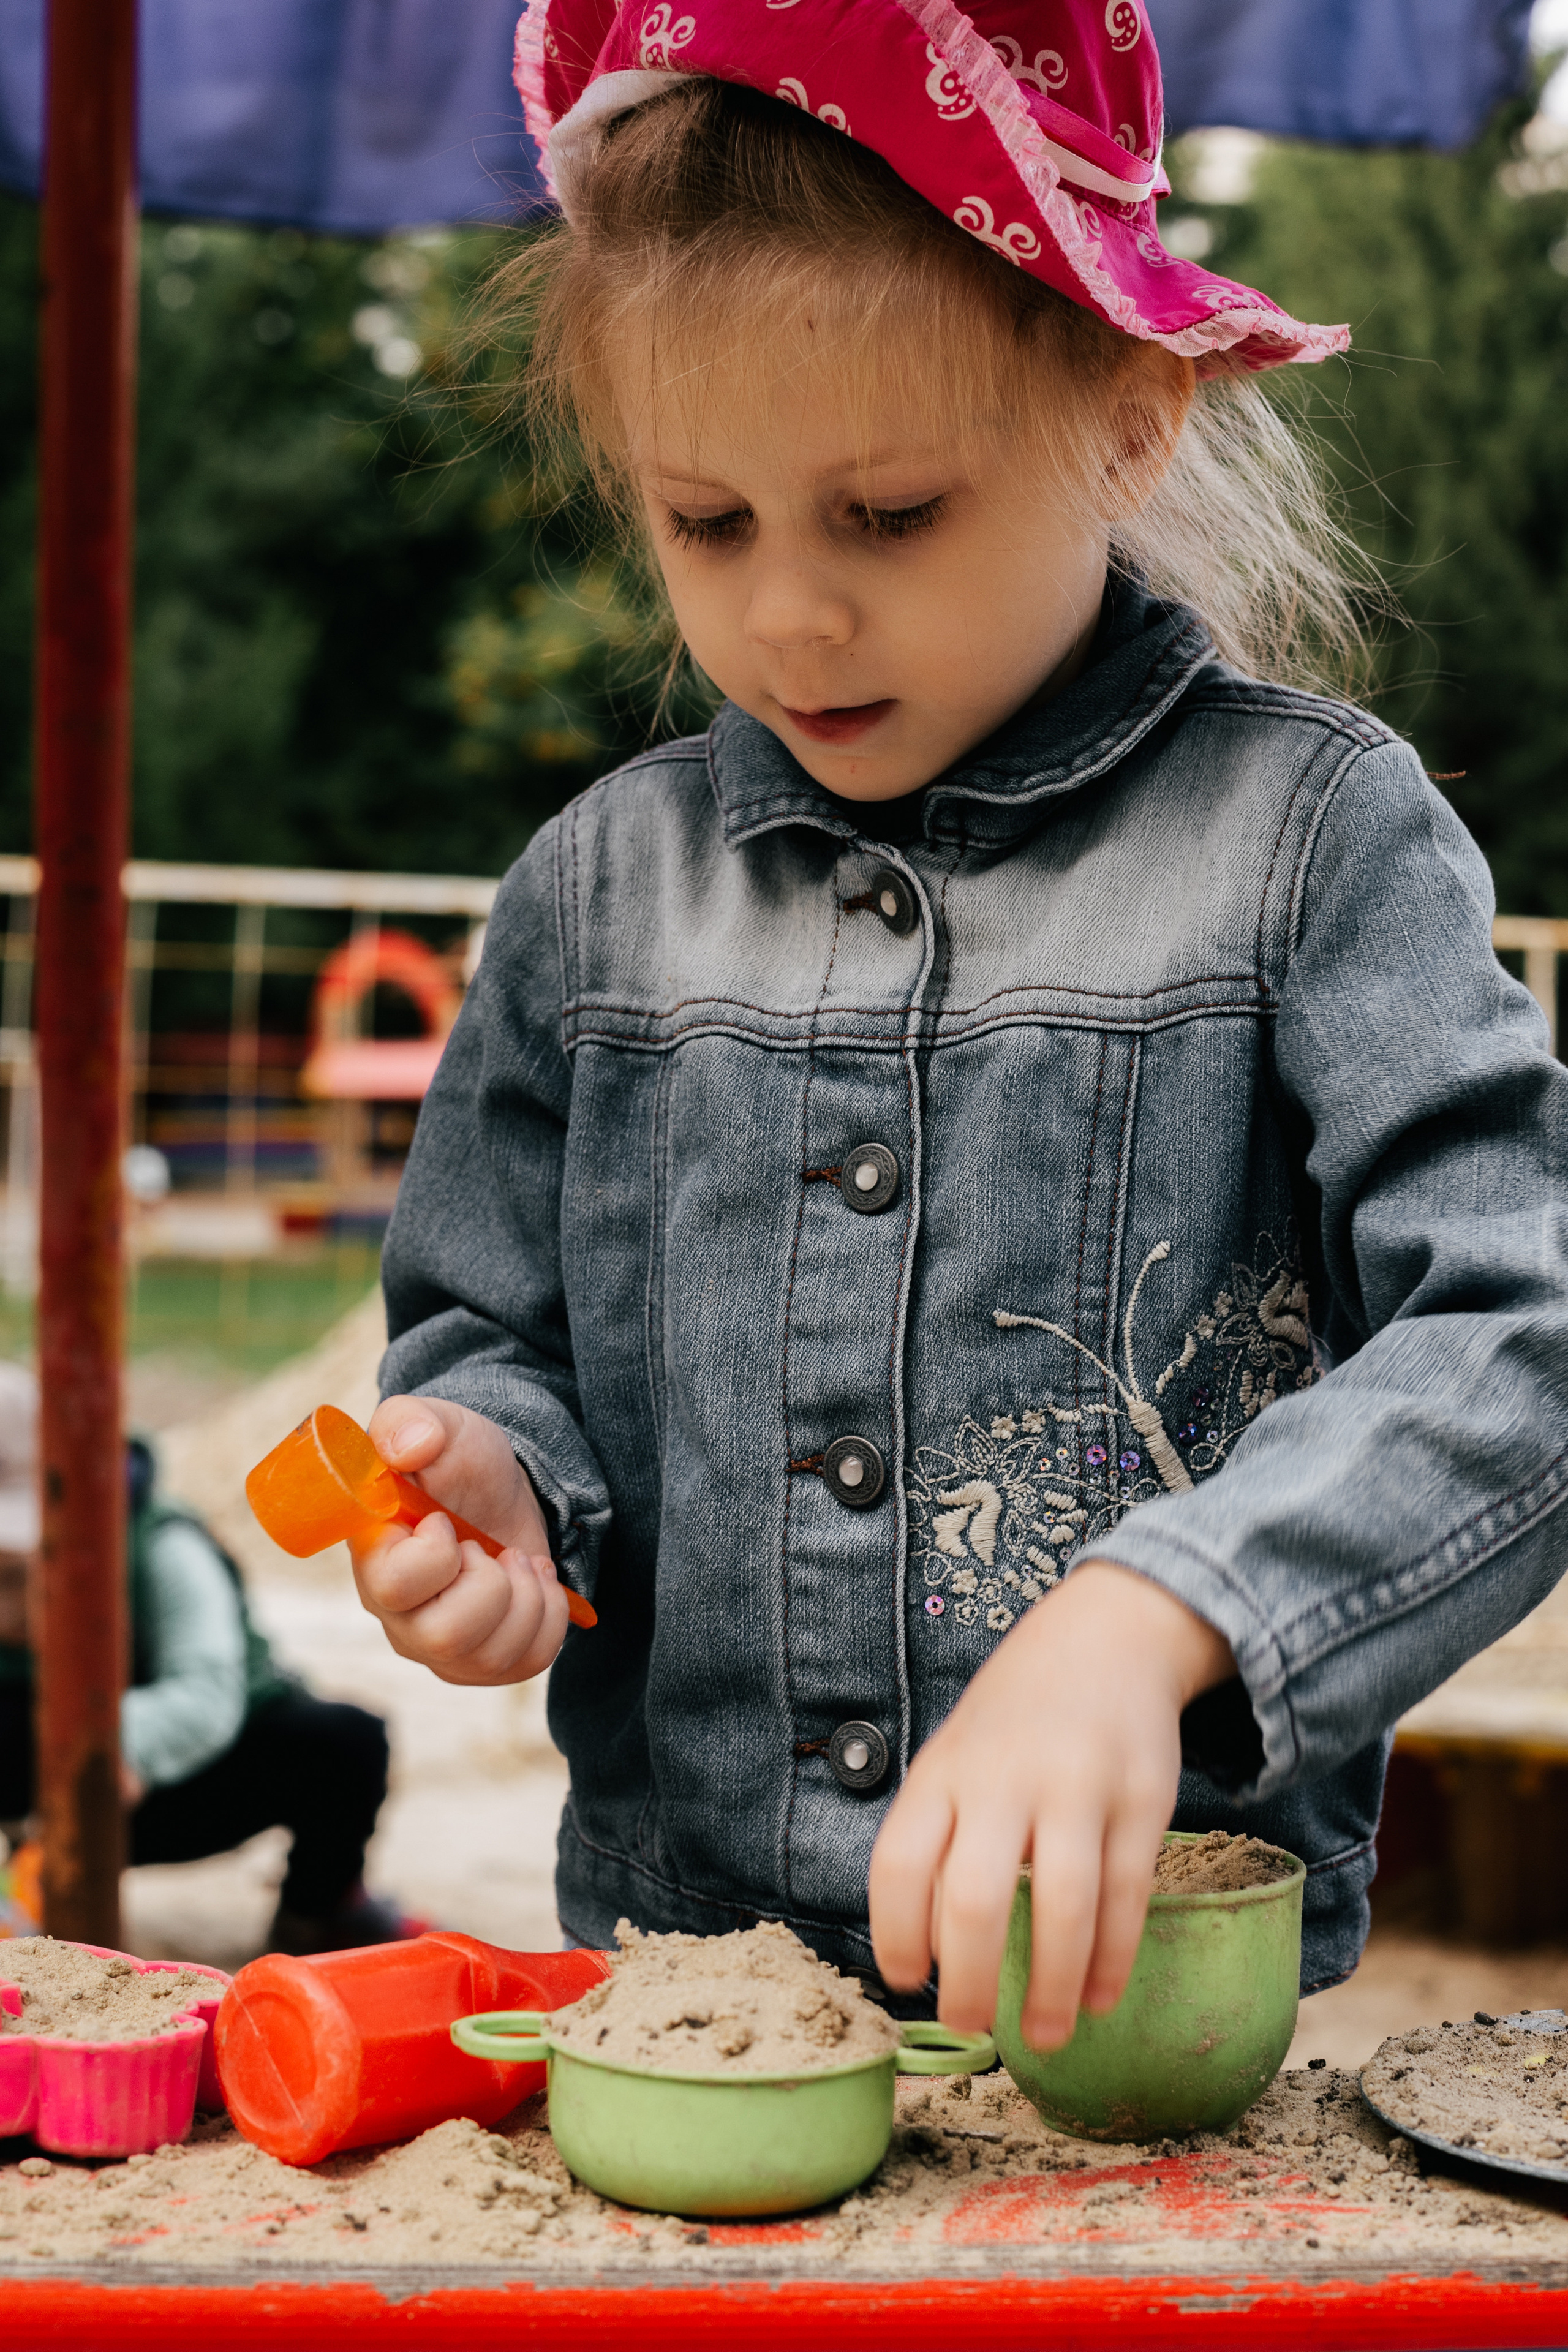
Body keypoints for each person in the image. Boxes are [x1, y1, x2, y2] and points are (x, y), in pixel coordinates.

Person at [351, 1, 1568, 2049]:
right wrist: (498, 1493)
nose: (788, 613)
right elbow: (500, 1337)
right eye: (703, 520)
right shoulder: (594, 892)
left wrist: (1163, 1609)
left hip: (1147, 2047)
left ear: (1129, 410)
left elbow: (1524, 1325)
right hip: (685, 2013)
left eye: (889, 513)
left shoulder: (1312, 840)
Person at [0, 1364, 421, 1954]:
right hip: (42, 1777)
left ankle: (320, 1909)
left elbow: (205, 1692)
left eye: (16, 1570)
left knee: (345, 1744)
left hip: (180, 1774)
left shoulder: (166, 1547)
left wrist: (108, 1748)